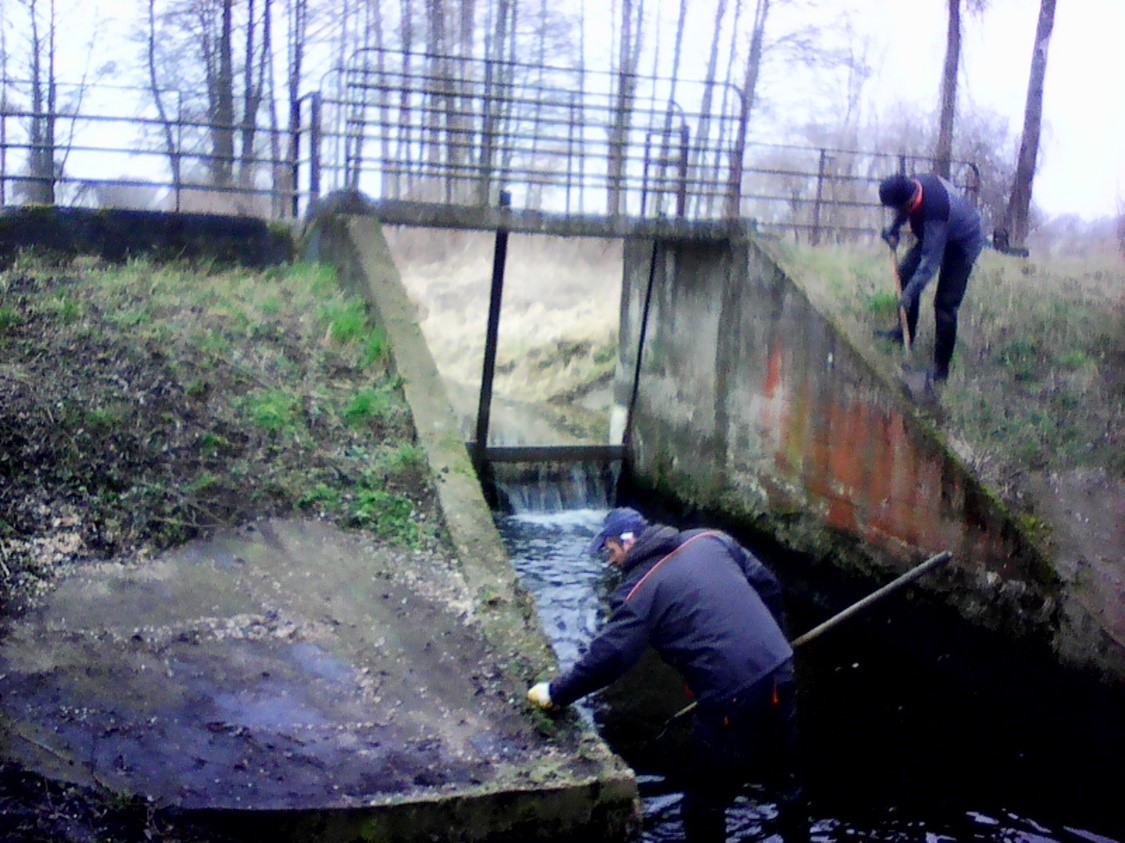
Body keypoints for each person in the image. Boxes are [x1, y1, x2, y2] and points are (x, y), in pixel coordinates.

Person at [527, 507, 810, 843]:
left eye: (611, 550)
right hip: (780, 669)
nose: (611, 561)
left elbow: (610, 657)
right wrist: (776, 641)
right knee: (786, 781)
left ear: (627, 542)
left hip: (730, 698)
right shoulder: (710, 539)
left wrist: (557, 693)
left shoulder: (638, 594)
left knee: (703, 806)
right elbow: (768, 585)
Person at [877, 173, 986, 384]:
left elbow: (929, 265)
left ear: (908, 202)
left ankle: (940, 371)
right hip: (940, 230)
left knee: (945, 305)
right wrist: (893, 230)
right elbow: (903, 211)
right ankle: (904, 333)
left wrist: (908, 294)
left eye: (896, 208)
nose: (896, 212)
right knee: (905, 275)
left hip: (962, 244)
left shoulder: (934, 212)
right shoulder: (912, 187)